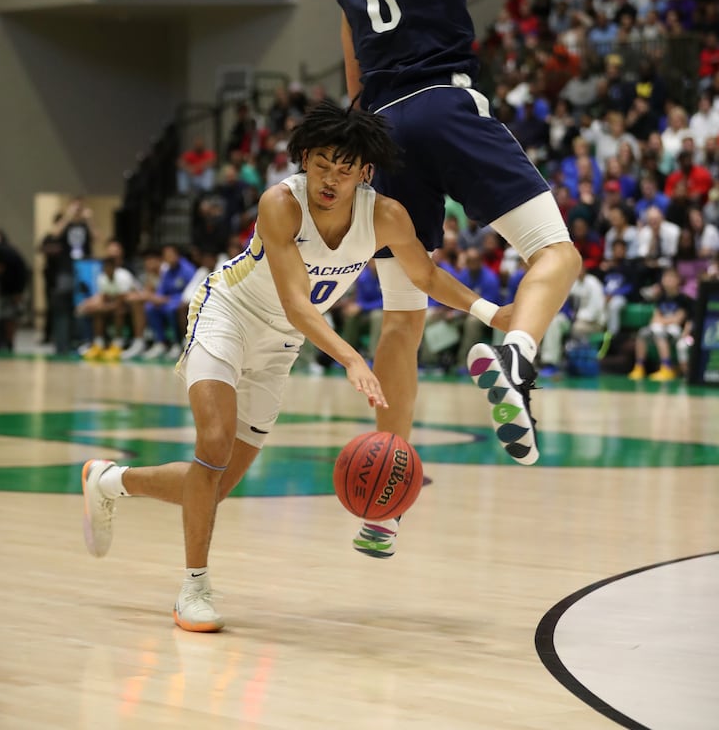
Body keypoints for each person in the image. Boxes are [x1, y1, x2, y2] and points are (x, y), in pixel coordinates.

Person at [81, 103, 513, 632]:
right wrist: (353, 357)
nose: (332, 179)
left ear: (365, 173)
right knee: (212, 444)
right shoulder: (280, 203)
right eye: (323, 164)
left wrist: (493, 312)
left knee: (214, 486)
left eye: (345, 168)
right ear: (304, 158)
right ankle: (194, 587)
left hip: (281, 345)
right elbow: (298, 304)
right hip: (229, 314)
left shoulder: (386, 216)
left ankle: (110, 481)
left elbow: (424, 274)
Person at [337, 0, 602, 503]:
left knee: (402, 315)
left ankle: (386, 491)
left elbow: (353, 89)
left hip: (380, 133)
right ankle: (516, 353)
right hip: (443, 107)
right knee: (557, 253)